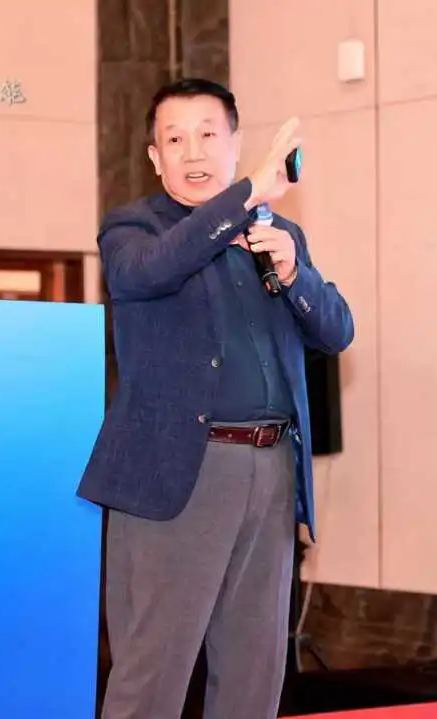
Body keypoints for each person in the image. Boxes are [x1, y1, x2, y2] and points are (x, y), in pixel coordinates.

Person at [77, 77, 354, 719]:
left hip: (271, 466)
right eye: (175, 140)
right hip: (181, 471)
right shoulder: (134, 229)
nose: (193, 151)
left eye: (208, 134)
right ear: (155, 157)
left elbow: (337, 331)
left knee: (255, 673)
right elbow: (151, 270)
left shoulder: (276, 233)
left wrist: (294, 273)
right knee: (153, 675)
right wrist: (247, 194)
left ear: (234, 143)